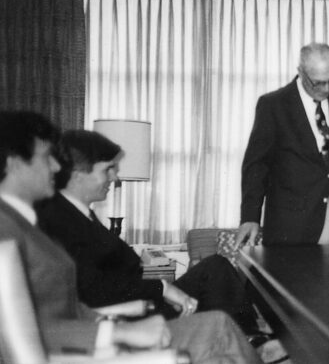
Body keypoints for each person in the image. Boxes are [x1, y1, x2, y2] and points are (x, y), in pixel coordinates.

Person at [0, 110, 258, 363]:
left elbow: (67, 304)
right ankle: (255, 342)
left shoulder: (26, 222)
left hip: (102, 329)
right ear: (14, 164)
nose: (57, 167)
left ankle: (253, 342)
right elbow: (26, 325)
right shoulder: (10, 230)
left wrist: (109, 325)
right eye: (46, 158)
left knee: (222, 333)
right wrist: (119, 331)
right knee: (221, 329)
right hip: (92, 346)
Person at [35, 129, 260, 335]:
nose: (114, 177)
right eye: (108, 169)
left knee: (215, 267)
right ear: (77, 176)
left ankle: (248, 336)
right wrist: (162, 288)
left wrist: (163, 289)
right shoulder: (58, 220)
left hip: (143, 300)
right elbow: (92, 288)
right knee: (216, 277)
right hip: (128, 316)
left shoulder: (80, 213)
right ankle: (249, 339)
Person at [238, 42, 329, 246]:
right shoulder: (273, 104)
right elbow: (256, 165)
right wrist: (250, 216)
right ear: (301, 72)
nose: (327, 89)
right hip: (289, 222)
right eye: (318, 83)